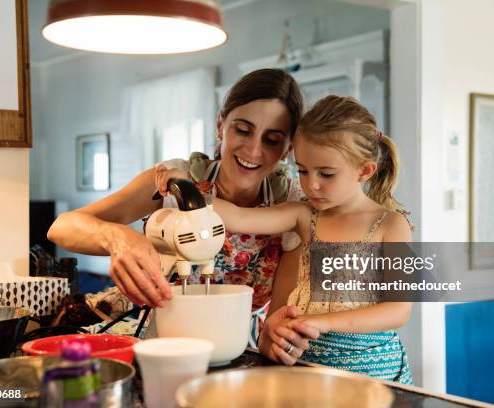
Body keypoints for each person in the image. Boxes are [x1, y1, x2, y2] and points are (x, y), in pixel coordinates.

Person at [47, 68, 319, 355]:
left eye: (271, 140)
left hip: (236, 345)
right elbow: (61, 227)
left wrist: (278, 340)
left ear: (288, 147)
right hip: (158, 341)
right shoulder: (174, 182)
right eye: (243, 129)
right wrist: (118, 238)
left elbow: (278, 313)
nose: (253, 150)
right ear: (220, 125)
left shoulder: (291, 206)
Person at [158, 95, 413, 383]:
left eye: (326, 174)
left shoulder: (391, 224)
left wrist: (319, 323)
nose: (311, 184)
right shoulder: (304, 215)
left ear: (365, 170)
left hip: (374, 370)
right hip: (306, 363)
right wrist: (185, 186)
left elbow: (398, 310)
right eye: (302, 170)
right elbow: (237, 216)